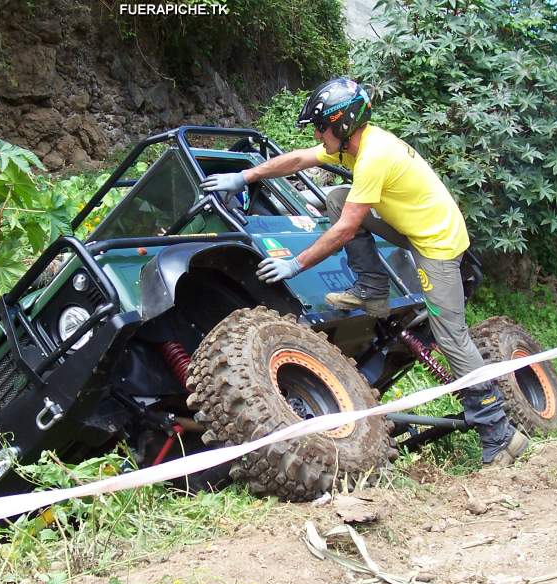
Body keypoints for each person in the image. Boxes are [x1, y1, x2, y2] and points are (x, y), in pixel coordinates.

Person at [201, 77, 528, 467]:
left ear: (340, 125)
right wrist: (247, 176)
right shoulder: (353, 145)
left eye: (321, 127)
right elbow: (299, 159)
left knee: (452, 337)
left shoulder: (374, 156)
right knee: (337, 197)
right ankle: (372, 288)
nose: (319, 136)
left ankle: (499, 433)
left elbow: (343, 231)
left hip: (437, 244)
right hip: (409, 224)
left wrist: (295, 263)